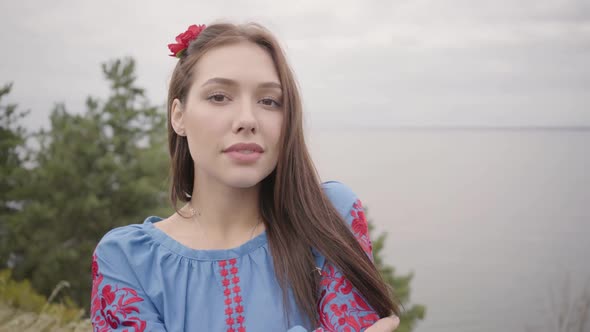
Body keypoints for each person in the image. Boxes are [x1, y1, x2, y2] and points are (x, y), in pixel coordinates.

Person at [90, 22, 401, 331]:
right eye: (219, 97)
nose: (247, 120)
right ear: (178, 115)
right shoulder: (127, 261)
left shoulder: (329, 218)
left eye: (269, 101)